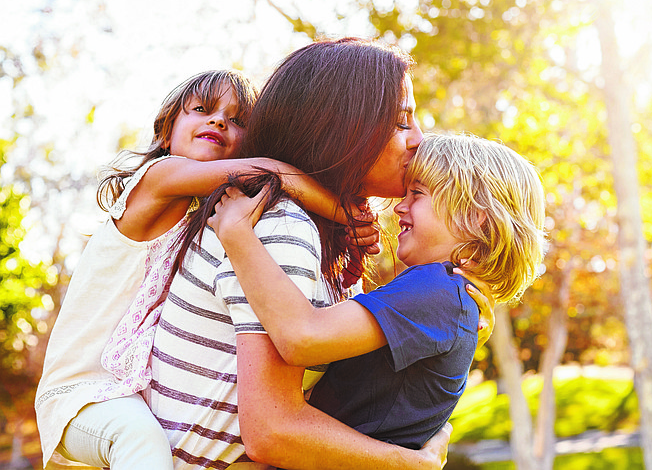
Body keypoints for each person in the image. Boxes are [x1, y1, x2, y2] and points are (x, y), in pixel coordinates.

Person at [147, 38, 481, 469]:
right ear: (344, 127)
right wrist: (409, 463)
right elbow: (273, 432)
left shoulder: (312, 233)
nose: (419, 140)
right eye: (402, 123)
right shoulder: (280, 228)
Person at [34, 69, 368, 470]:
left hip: (127, 392)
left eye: (237, 119)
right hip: (80, 393)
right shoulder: (157, 178)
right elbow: (269, 173)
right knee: (139, 440)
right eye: (202, 110)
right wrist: (347, 215)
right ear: (166, 133)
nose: (219, 121)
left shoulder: (205, 216)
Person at [209, 132, 546, 451]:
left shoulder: (437, 289)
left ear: (475, 219)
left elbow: (303, 336)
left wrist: (237, 234)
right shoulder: (449, 296)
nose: (400, 206)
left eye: (418, 193)